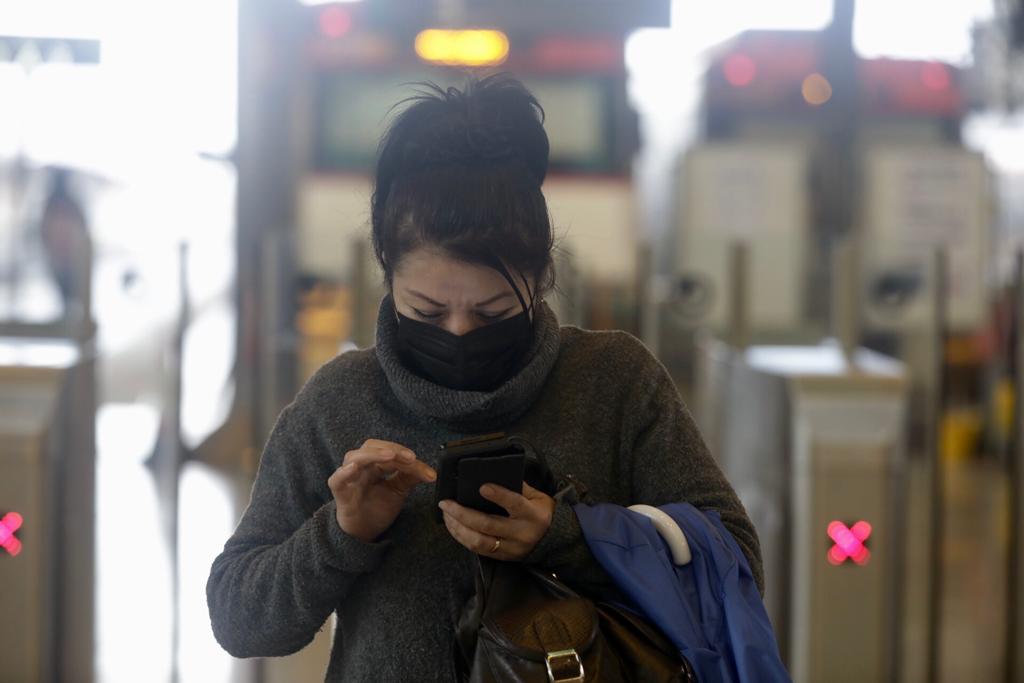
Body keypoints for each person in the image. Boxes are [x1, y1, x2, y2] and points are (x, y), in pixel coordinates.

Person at [206, 74, 763, 681]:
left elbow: (735, 565)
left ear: (544, 275)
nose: (460, 333)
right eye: (427, 312)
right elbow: (238, 619)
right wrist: (342, 533)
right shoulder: (341, 399)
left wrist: (563, 536)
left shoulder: (615, 383)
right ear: (387, 275)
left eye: (493, 313)